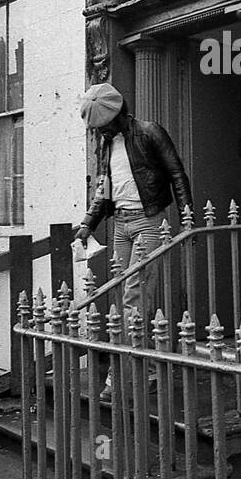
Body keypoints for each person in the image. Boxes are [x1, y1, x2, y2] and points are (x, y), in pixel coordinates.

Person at [75, 82, 193, 328]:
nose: (101, 132)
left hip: (148, 221)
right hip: (120, 223)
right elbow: (104, 186)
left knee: (135, 291)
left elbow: (177, 175)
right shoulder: (107, 144)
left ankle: (134, 353)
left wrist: (187, 218)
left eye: (104, 126)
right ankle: (128, 350)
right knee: (120, 287)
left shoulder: (149, 132)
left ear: (117, 114)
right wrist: (88, 223)